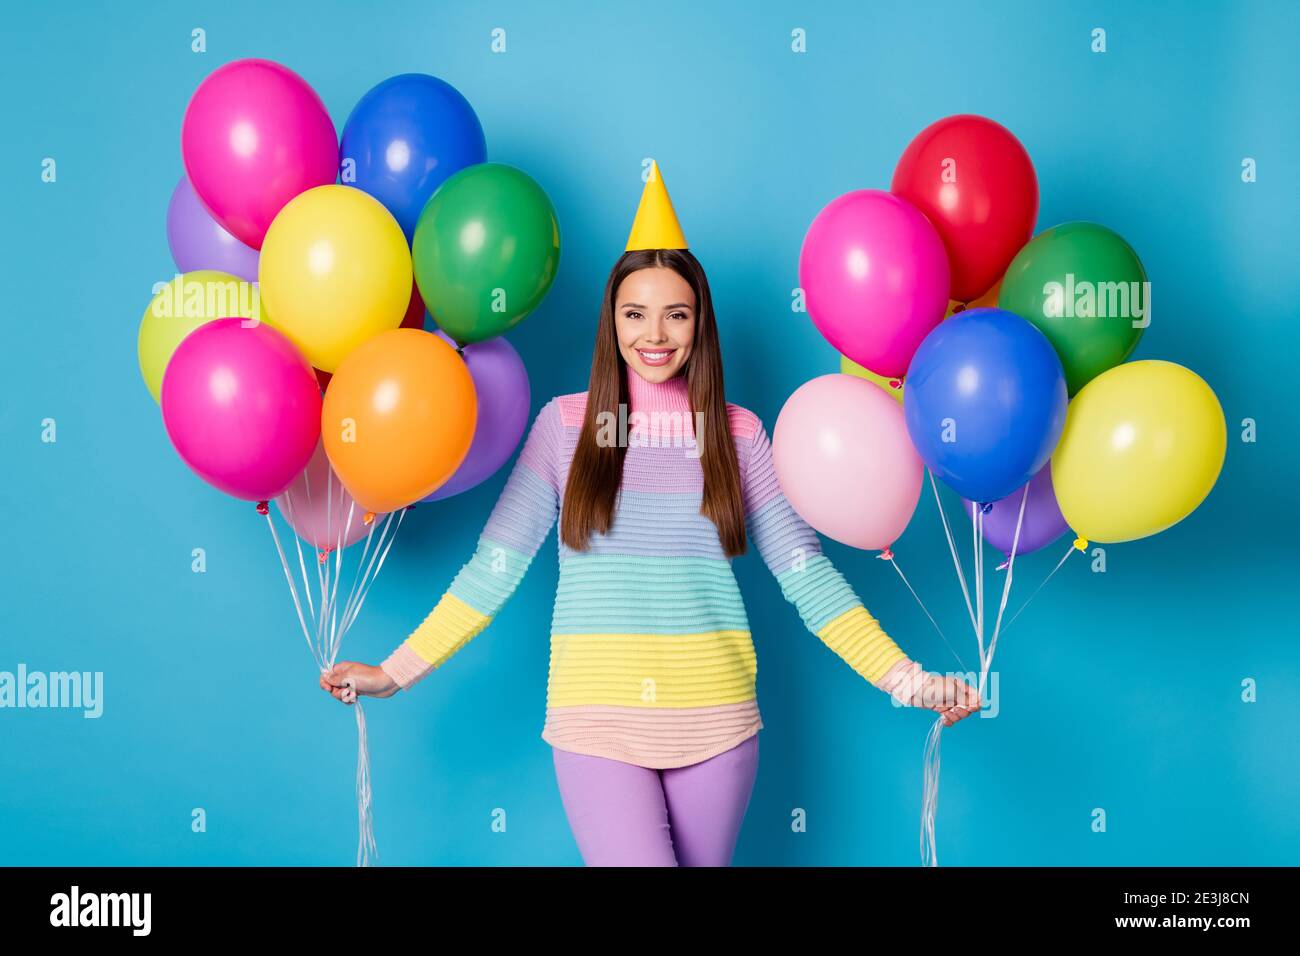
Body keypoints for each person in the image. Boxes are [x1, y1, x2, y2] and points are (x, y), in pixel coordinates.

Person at [320, 161, 981, 866]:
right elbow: (493, 571)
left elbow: (810, 583)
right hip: (596, 726)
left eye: (676, 312)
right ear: (612, 321)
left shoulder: (739, 435)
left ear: (700, 324)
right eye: (635, 313)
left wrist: (909, 682)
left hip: (720, 727)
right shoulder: (565, 429)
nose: (655, 333)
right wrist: (395, 672)